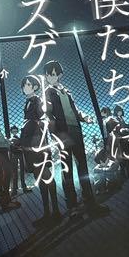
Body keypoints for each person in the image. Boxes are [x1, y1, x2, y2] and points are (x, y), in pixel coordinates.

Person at [42, 61, 102, 216]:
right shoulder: (47, 92)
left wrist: (85, 117)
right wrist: (57, 135)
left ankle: (89, 200)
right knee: (67, 169)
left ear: (60, 75)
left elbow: (74, 110)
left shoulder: (66, 91)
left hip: (75, 129)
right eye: (48, 74)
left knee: (82, 165)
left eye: (54, 74)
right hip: (62, 133)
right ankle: (72, 206)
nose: (51, 77)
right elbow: (48, 115)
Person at [19, 74, 60, 223]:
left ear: (35, 87)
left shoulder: (37, 100)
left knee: (45, 176)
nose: (25, 87)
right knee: (40, 177)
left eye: (28, 84)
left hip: (37, 143)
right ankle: (49, 212)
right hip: (31, 143)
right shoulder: (28, 102)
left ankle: (55, 212)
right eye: (24, 85)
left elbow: (43, 119)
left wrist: (32, 128)